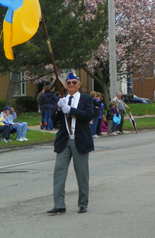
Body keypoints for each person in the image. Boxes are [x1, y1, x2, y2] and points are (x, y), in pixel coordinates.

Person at [47, 72, 94, 215]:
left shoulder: (86, 99)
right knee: (59, 173)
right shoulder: (62, 99)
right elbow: (53, 120)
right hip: (64, 141)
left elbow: (88, 115)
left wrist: (71, 111)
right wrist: (59, 108)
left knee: (82, 175)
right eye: (68, 83)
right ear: (65, 85)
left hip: (79, 140)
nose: (71, 85)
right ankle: (59, 204)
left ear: (79, 84)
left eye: (74, 82)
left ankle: (83, 204)